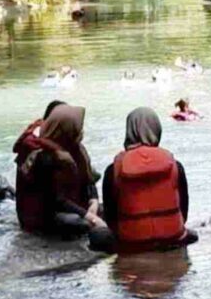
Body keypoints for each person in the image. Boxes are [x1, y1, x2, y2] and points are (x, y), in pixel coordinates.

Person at [103, 107, 197, 251]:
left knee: (96, 234)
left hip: (130, 242)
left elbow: (110, 218)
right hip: (173, 238)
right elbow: (184, 212)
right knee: (193, 234)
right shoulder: (175, 165)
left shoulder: (114, 169)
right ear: (157, 129)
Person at [17, 104, 106, 238]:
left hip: (71, 204)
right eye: (78, 127)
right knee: (80, 223)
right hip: (44, 214)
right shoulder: (42, 157)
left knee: (108, 210)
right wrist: (90, 217)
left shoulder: (74, 147)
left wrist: (93, 200)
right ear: (65, 129)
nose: (81, 131)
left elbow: (88, 178)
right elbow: (56, 200)